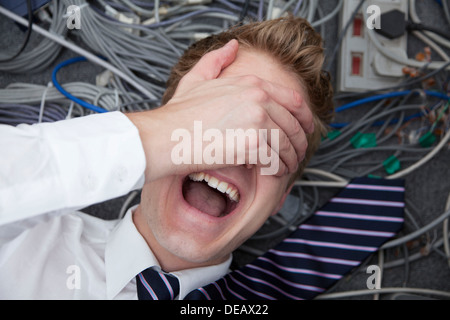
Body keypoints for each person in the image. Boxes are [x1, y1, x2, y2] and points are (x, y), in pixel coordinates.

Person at [0, 16, 333, 299]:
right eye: (223, 118)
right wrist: (156, 134)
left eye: (272, 140)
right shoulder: (23, 244)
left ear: (280, 200)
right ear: (167, 123)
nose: (239, 148)